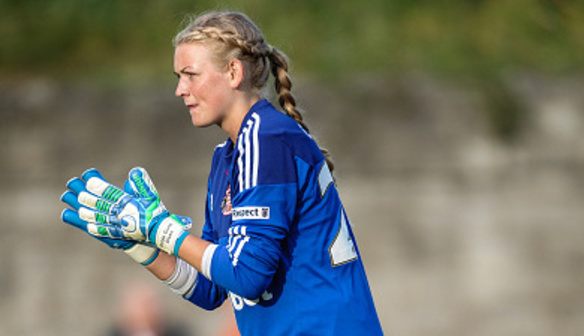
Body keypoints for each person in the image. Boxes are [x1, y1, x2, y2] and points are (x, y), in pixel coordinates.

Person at [61, 11, 384, 336]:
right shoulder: (227, 156)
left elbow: (248, 275)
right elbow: (213, 287)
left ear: (233, 72)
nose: (180, 90)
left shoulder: (265, 138)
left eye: (190, 74)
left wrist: (160, 228)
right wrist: (143, 244)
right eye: (178, 76)